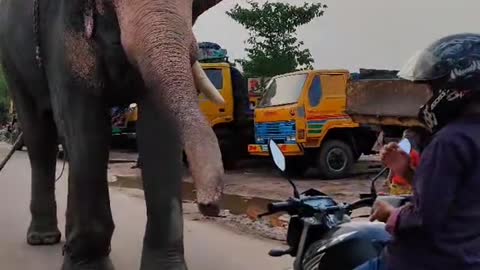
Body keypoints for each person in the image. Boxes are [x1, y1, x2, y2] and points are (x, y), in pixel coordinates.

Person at [355, 33, 480, 270]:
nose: (427, 98)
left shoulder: (450, 142)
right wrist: (408, 171)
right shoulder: (470, 137)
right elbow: (457, 196)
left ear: (454, 87)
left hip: (423, 261)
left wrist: (389, 214)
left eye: (431, 88)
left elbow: (424, 219)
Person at [385, 128, 426, 195]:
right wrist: (388, 179)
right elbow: (393, 168)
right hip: (397, 185)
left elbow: (418, 171)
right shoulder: (398, 153)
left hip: (407, 187)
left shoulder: (414, 154)